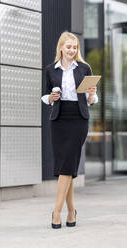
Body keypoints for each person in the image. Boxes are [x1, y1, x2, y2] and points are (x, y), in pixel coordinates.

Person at [41, 31, 98, 228]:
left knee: (67, 166)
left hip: (78, 119)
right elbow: (44, 95)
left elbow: (91, 100)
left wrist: (91, 95)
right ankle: (71, 212)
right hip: (59, 119)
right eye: (69, 47)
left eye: (75, 48)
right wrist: (50, 98)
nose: (72, 51)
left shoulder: (84, 68)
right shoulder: (51, 69)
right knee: (68, 167)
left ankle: (56, 212)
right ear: (61, 48)